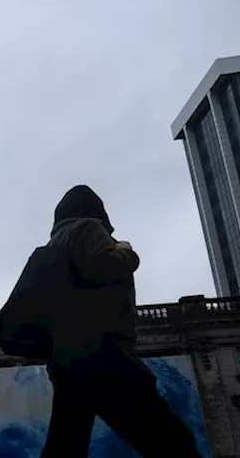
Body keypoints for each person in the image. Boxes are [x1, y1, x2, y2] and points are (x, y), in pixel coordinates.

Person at [40, 185, 203, 458]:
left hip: (66, 360)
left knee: (64, 448)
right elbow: (102, 267)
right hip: (104, 355)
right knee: (173, 443)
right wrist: (127, 253)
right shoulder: (87, 228)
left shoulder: (54, 247)